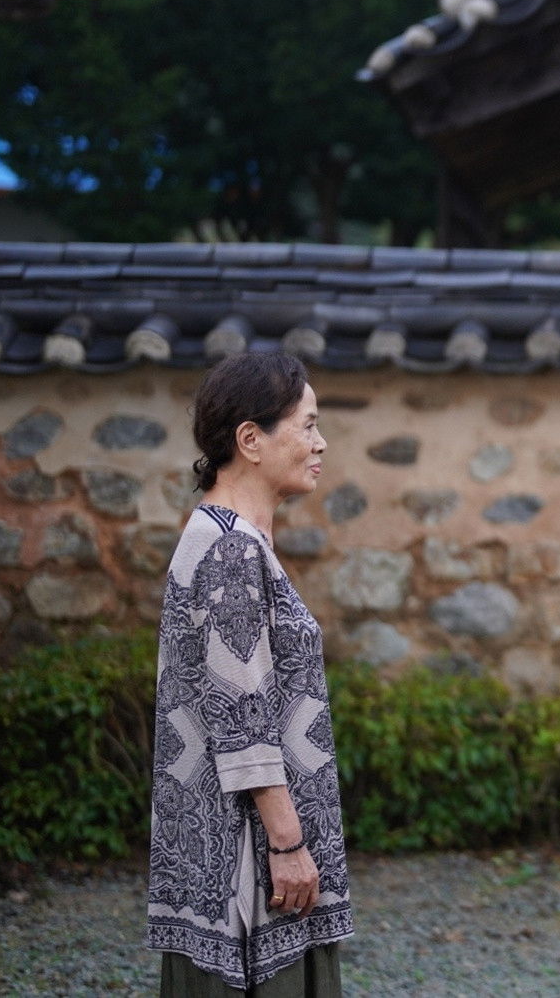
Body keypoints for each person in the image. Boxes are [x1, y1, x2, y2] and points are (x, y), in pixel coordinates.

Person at [148, 352, 353, 996]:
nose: (321, 443)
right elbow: (240, 715)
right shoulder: (231, 549)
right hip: (247, 862)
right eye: (309, 425)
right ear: (250, 440)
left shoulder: (232, 539)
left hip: (239, 849)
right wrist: (288, 845)